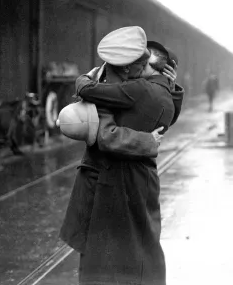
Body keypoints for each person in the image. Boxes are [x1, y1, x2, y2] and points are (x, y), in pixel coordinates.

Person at [60, 26, 184, 285]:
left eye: (144, 58)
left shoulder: (134, 89)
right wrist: (172, 88)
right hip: (143, 180)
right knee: (143, 247)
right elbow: (167, 117)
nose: (139, 61)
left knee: (101, 257)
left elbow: (105, 135)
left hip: (112, 181)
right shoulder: (164, 95)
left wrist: (85, 79)